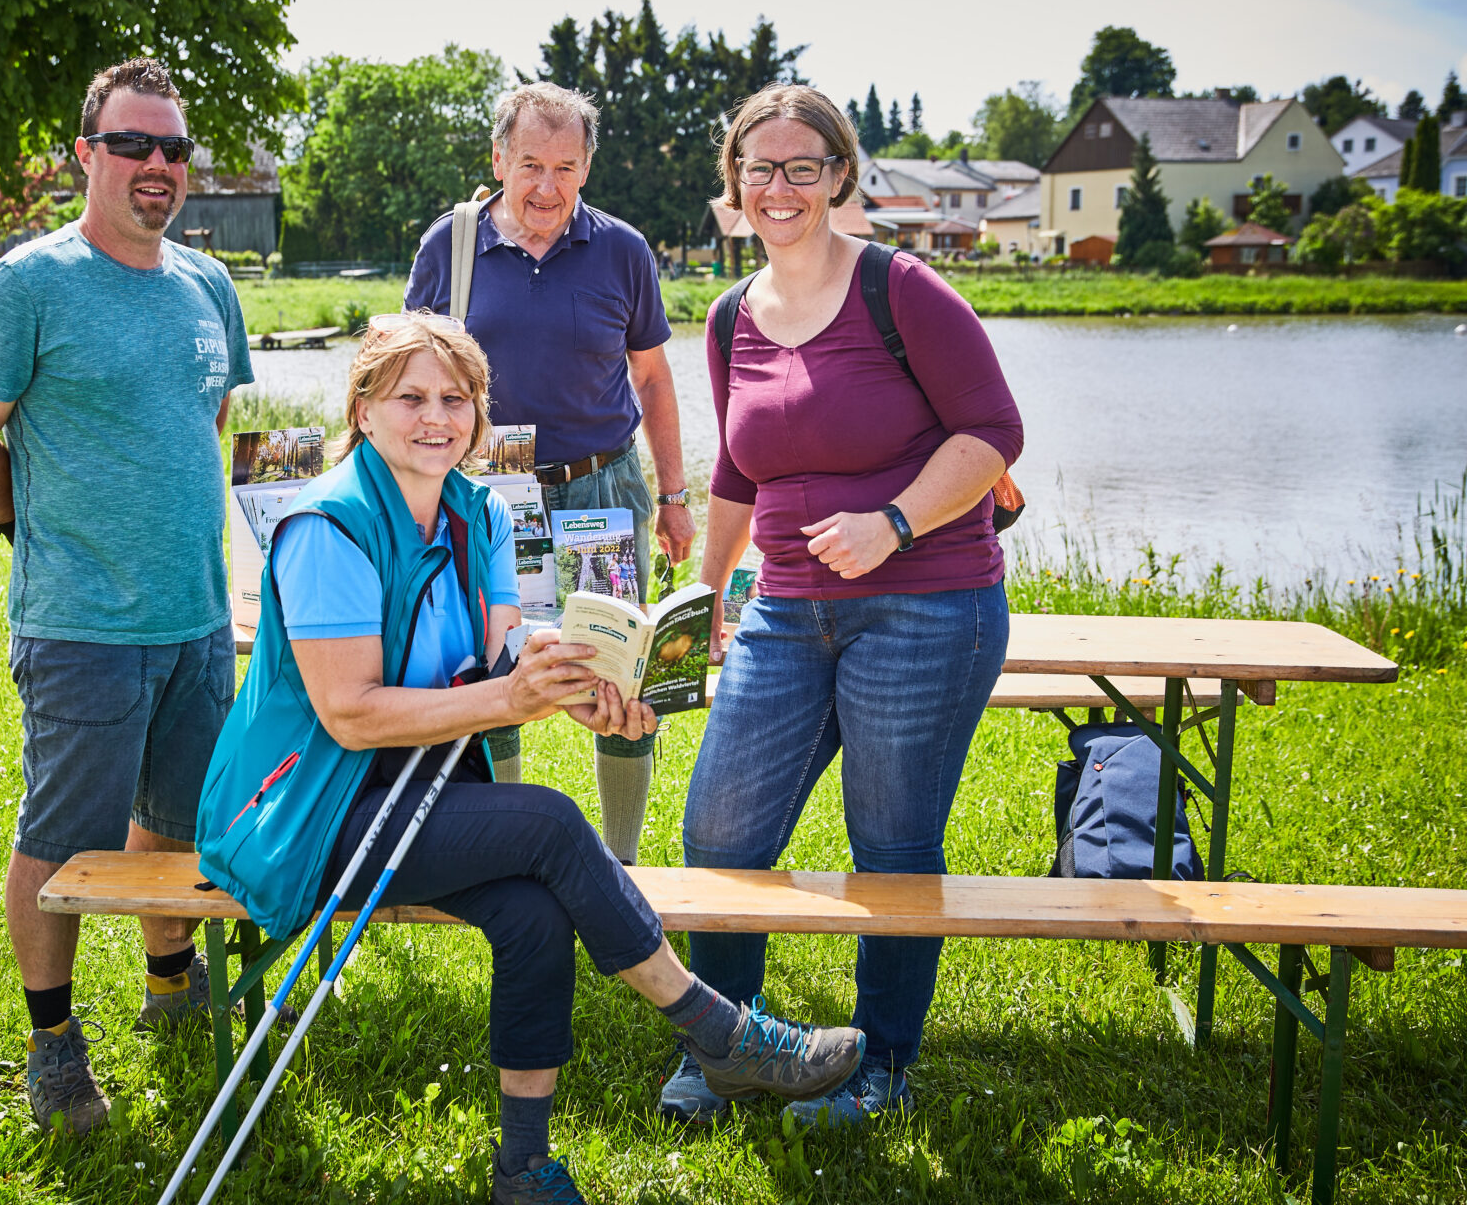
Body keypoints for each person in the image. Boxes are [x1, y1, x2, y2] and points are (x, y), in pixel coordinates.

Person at [199, 313, 865, 1204]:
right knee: (550, 823)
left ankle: (523, 1168)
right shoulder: (327, 527)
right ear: (362, 410)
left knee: (534, 913)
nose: (436, 418)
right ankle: (721, 1033)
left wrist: (580, 692)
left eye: (456, 399)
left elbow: (501, 659)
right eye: (409, 398)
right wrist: (510, 701)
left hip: (415, 788)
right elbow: (350, 716)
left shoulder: (478, 512)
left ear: (479, 414)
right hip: (305, 810)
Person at [657, 85, 1024, 1128]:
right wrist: (707, 590)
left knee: (892, 844)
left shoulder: (901, 289)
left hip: (928, 605)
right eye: (759, 169)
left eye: (802, 167)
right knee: (721, 829)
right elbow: (739, 469)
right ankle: (732, 1048)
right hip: (784, 611)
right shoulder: (730, 317)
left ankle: (883, 1067)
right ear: (735, 185)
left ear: (838, 176)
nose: (779, 187)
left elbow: (994, 433)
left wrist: (893, 523)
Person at [0, 58, 251, 1135]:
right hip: (81, 627)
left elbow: (204, 420)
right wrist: (28, 534)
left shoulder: (208, 285)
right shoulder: (27, 285)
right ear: (86, 154)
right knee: (61, 838)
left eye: (173, 148)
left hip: (198, 620)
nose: (157, 164)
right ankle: (54, 1043)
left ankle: (172, 982)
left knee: (176, 819)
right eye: (132, 143)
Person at [403, 82, 695, 866]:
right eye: (530, 164)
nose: (546, 186)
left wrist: (674, 496)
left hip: (603, 493)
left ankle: (622, 863)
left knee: (619, 675)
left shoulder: (623, 250)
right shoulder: (451, 245)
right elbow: (403, 373)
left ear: (587, 170)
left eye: (565, 168)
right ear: (499, 159)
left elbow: (653, 379)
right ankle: (503, 853)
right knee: (494, 666)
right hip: (489, 497)